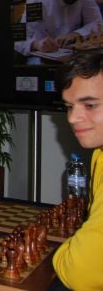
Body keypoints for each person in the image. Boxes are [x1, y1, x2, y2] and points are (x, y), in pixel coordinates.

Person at [53, 49, 103, 290]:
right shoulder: (99, 154)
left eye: (90, 105)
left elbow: (79, 272)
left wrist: (61, 252)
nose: (72, 118)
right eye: (69, 106)